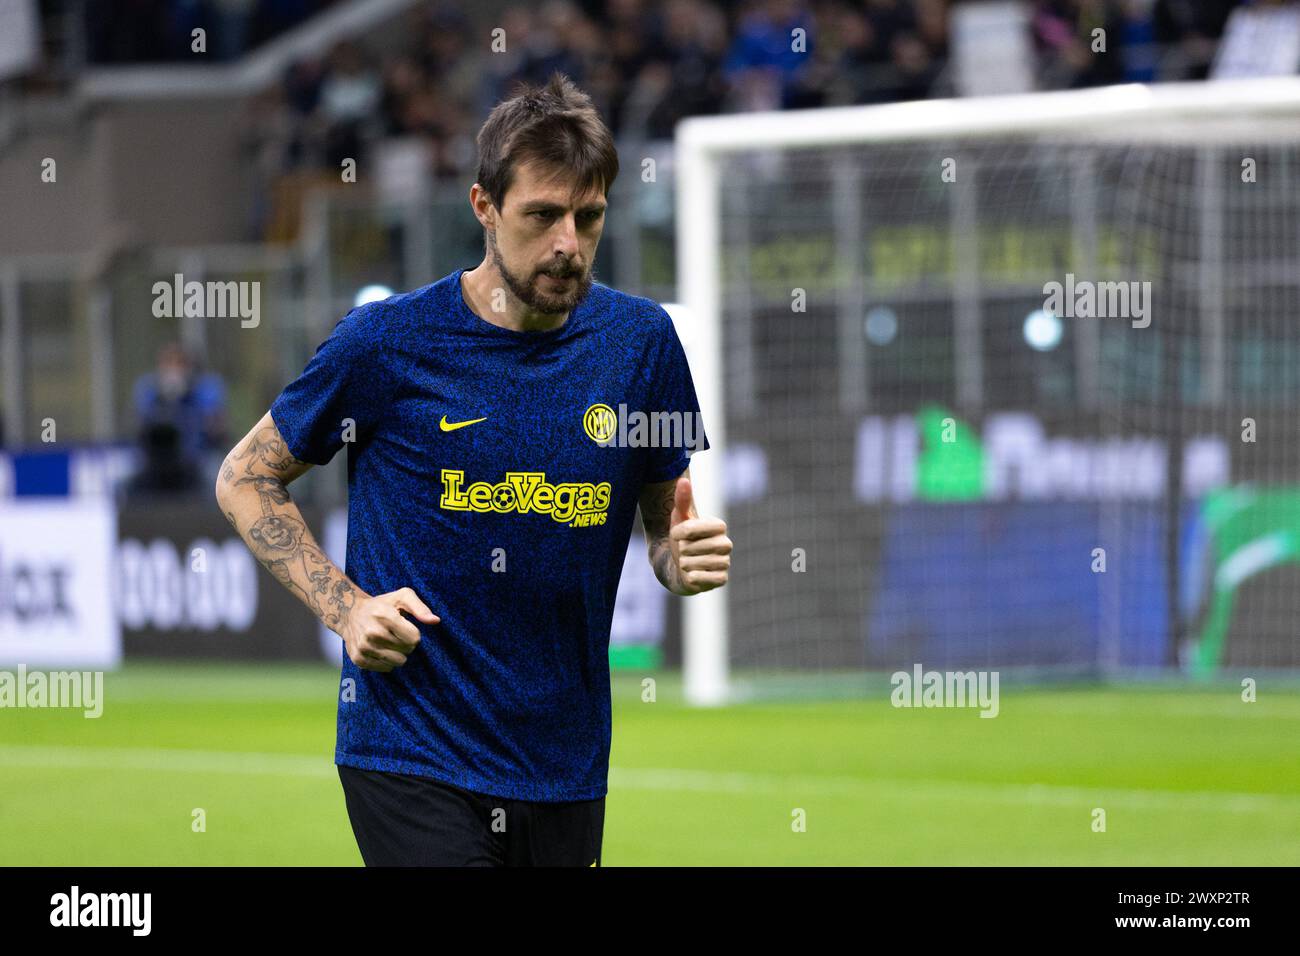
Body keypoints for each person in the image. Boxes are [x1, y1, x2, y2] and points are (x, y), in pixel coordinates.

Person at [215, 73, 732, 866]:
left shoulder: (643, 345)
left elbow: (665, 525)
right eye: (543, 216)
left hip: (566, 762)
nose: (569, 242)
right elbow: (244, 477)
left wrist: (674, 558)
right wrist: (347, 608)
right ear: (484, 207)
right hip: (411, 752)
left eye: (588, 217)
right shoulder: (385, 342)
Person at [130, 343, 227, 495]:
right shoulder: (148, 388)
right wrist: (165, 400)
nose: (173, 370)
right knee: (125, 482)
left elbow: (216, 429)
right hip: (156, 462)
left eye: (179, 364)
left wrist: (186, 396)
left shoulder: (206, 389)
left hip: (198, 458)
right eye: (168, 364)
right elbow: (139, 427)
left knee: (217, 481)